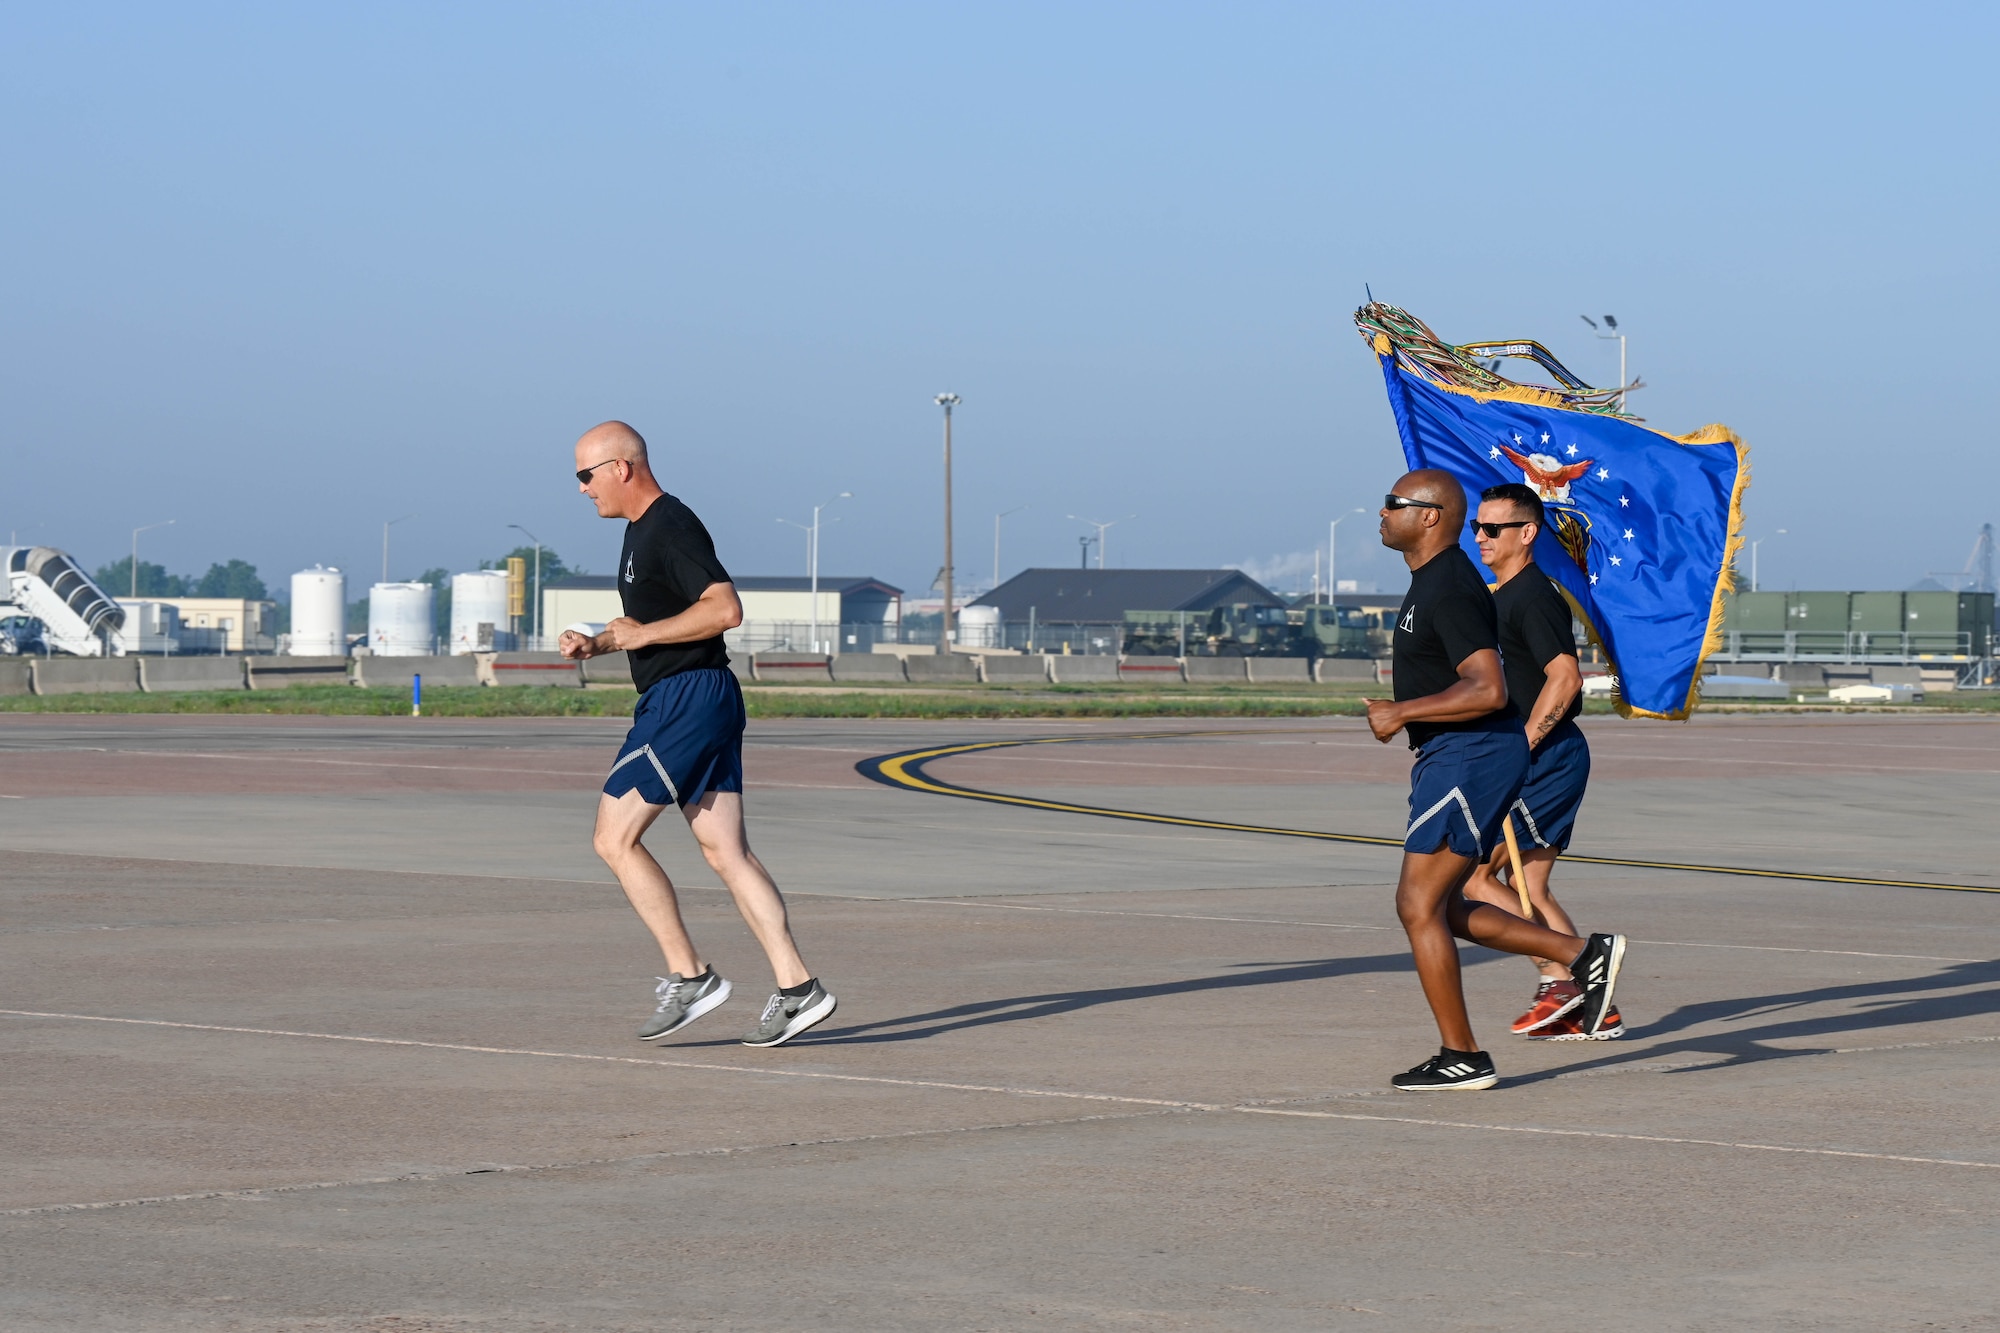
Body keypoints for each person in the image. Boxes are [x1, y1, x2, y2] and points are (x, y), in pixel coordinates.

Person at [559, 420, 835, 1048]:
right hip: (697, 695)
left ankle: (691, 977)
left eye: (585, 475)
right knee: (726, 852)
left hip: (685, 700)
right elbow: (656, 623)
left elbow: (724, 609)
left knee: (613, 837)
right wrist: (600, 642)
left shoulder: (668, 526)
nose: (580, 490)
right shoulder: (639, 535)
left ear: (622, 467)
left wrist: (643, 635)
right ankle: (799, 989)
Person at [1362, 469, 1626, 1091]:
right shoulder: (1438, 581)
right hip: (1459, 754)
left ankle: (1464, 1055)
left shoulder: (1449, 586)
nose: (1380, 513)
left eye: (1392, 504)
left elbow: (1488, 687)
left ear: (1429, 516)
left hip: (1470, 753)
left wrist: (1401, 712)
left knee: (1417, 904)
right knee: (1450, 903)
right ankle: (1577, 958)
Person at [1462, 482, 1623, 1041]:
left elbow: (1565, 676)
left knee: (1478, 881)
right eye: (1477, 527)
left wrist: (1523, 744)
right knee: (1531, 885)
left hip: (1545, 757)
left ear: (1527, 534)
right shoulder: (1500, 595)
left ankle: (1564, 974)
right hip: (1532, 755)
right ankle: (1592, 1004)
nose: (1480, 536)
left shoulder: (1533, 594)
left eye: (1493, 529)